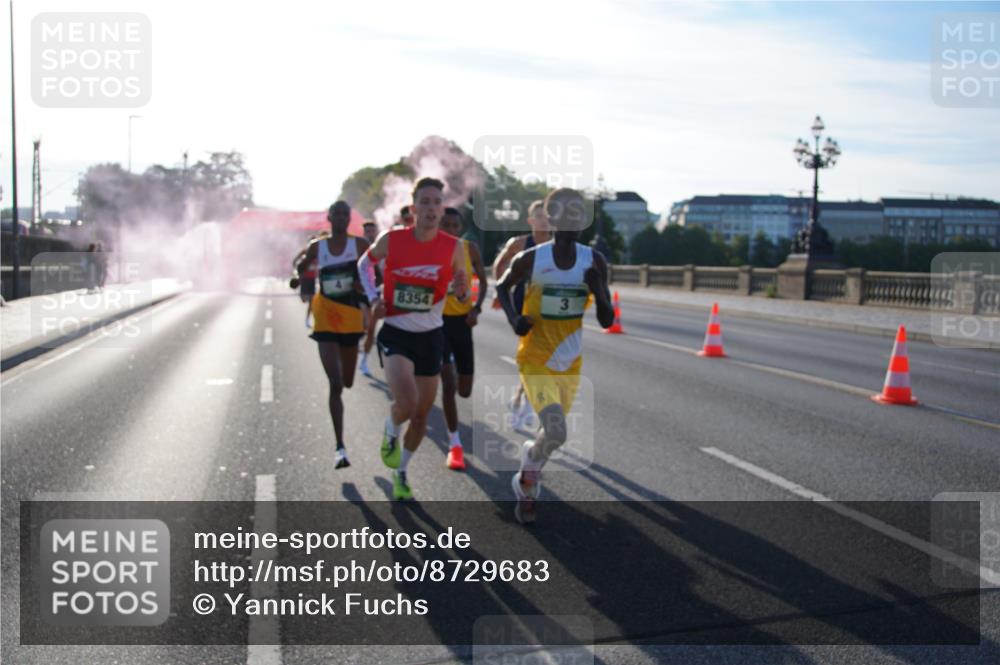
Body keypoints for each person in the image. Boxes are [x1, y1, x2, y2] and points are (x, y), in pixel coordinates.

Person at [496, 188, 615, 524]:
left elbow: (607, 320)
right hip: (535, 358)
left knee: (551, 436)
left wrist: (600, 291)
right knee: (558, 431)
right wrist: (514, 319)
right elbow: (502, 287)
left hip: (570, 362)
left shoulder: (594, 261)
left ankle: (526, 475)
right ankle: (529, 484)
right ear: (552, 218)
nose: (575, 218)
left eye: (580, 213)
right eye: (567, 213)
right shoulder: (533, 259)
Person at [358, 177, 469, 500]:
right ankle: (391, 431)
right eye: (426, 202)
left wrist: (461, 289)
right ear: (413, 207)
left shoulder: (453, 246)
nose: (432, 208)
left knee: (421, 414)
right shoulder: (393, 240)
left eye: (437, 202)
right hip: (396, 333)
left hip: (432, 336)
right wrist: (373, 295)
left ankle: (401, 471)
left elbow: (461, 281)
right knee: (406, 404)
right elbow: (365, 263)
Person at [297, 202, 370, 469]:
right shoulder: (319, 246)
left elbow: (377, 270)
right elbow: (302, 264)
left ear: (348, 219)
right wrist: (297, 278)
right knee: (335, 382)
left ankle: (340, 443)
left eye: (344, 214)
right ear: (328, 218)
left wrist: (367, 285)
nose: (339, 218)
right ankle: (340, 446)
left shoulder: (359, 245)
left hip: (350, 319)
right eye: (335, 214)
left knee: (348, 382)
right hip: (325, 317)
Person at [491, 200, 553, 430]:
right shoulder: (519, 243)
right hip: (523, 303)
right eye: (539, 216)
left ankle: (519, 401)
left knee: (536, 356)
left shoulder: (557, 245)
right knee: (533, 354)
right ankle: (523, 407)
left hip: (546, 304)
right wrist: (500, 291)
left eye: (547, 216)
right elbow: (500, 263)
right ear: (531, 220)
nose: (544, 220)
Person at [437, 207, 488, 471]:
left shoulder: (470, 249)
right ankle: (454, 444)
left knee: (464, 391)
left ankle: (452, 368)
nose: (450, 229)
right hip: (437, 322)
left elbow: (484, 281)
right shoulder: (431, 249)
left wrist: (476, 308)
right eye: (445, 225)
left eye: (454, 225)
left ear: (460, 227)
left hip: (462, 323)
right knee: (447, 383)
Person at [359, 221, 381, 378]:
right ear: (364, 232)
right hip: (364, 293)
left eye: (372, 230)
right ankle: (363, 358)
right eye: (367, 231)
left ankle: (364, 360)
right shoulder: (360, 248)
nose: (370, 233)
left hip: (380, 292)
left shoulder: (384, 246)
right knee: (368, 325)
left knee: (371, 328)